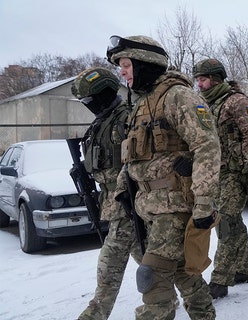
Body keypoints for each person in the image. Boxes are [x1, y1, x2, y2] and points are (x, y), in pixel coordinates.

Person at [108, 35, 219, 320]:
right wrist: (121, 194)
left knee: (152, 278)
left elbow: (206, 146)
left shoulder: (178, 96)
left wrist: (205, 202)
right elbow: (132, 156)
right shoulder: (142, 104)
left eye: (126, 64)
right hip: (148, 207)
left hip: (175, 205)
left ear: (145, 63)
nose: (122, 72)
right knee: (184, 272)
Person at [73, 67, 140, 320]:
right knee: (147, 256)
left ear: (104, 95)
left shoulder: (126, 119)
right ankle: (178, 293)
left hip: (127, 200)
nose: (88, 106)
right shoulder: (101, 122)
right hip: (110, 201)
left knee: (109, 262)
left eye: (90, 101)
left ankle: (94, 314)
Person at [192, 58, 248, 299]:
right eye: (198, 79)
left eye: (204, 79)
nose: (200, 84)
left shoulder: (236, 101)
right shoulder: (203, 104)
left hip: (234, 172)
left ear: (217, 78)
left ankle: (220, 279)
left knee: (226, 222)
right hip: (215, 173)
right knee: (232, 221)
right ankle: (243, 269)